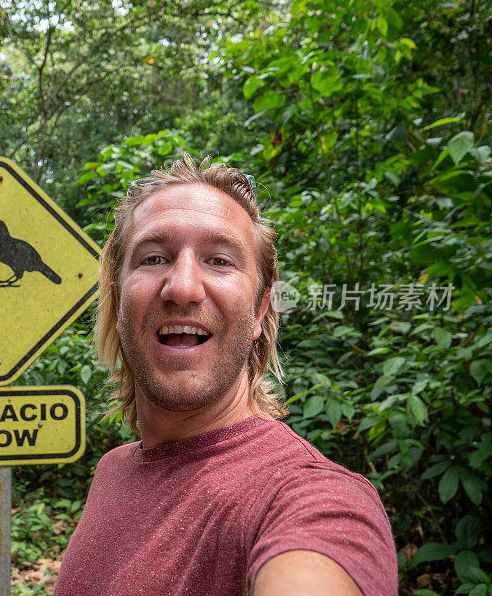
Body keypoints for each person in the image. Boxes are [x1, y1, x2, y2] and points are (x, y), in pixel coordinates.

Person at [53, 154, 397, 596]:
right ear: (119, 302)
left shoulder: (309, 498)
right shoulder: (113, 471)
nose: (182, 287)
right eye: (154, 258)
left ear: (258, 309)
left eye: (219, 261)